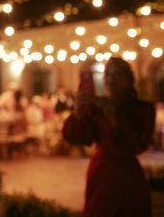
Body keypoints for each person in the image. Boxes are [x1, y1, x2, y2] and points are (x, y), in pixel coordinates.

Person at [62, 57, 155, 217]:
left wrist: (114, 117)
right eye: (107, 74)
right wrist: (78, 111)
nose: (111, 79)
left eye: (117, 74)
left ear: (128, 80)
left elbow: (137, 145)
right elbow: (77, 137)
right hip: (101, 171)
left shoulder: (143, 109)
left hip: (127, 174)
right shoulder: (98, 106)